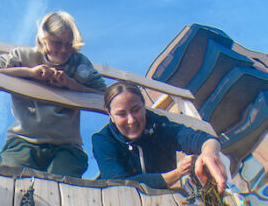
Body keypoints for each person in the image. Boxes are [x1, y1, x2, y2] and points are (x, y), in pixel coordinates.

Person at [0, 11, 106, 178]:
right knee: (8, 180)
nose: (63, 49)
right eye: (57, 43)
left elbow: (106, 95)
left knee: (64, 186)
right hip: (24, 140)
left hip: (67, 146)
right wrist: (30, 73)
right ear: (43, 39)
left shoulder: (80, 64)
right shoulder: (24, 56)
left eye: (69, 44)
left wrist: (71, 84)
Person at [92, 81, 227, 192]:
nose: (131, 120)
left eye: (136, 110)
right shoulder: (103, 140)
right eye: (121, 114)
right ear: (110, 114)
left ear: (144, 106)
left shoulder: (159, 125)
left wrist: (210, 153)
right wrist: (177, 173)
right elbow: (120, 185)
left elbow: (200, 138)